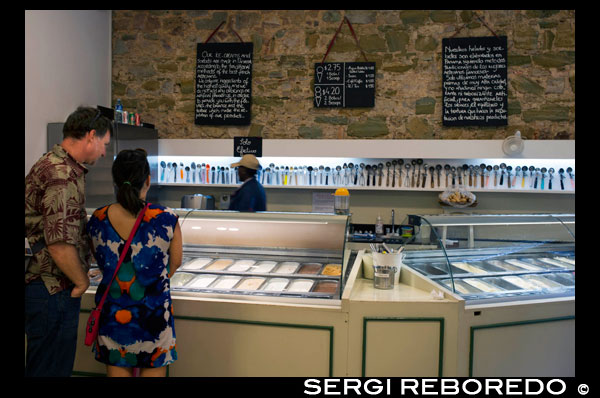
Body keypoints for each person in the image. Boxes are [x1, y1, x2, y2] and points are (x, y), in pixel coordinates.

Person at [25, 106, 113, 377]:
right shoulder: (62, 175)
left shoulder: (52, 163)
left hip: (46, 287)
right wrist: (81, 281)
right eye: (104, 144)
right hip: (53, 289)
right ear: (90, 136)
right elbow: (59, 243)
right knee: (51, 370)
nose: (104, 152)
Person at [86, 148, 182, 377]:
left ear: (115, 181)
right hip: (154, 316)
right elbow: (175, 263)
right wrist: (149, 282)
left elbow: (98, 258)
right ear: (147, 180)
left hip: (114, 316)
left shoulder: (98, 218)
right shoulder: (165, 217)